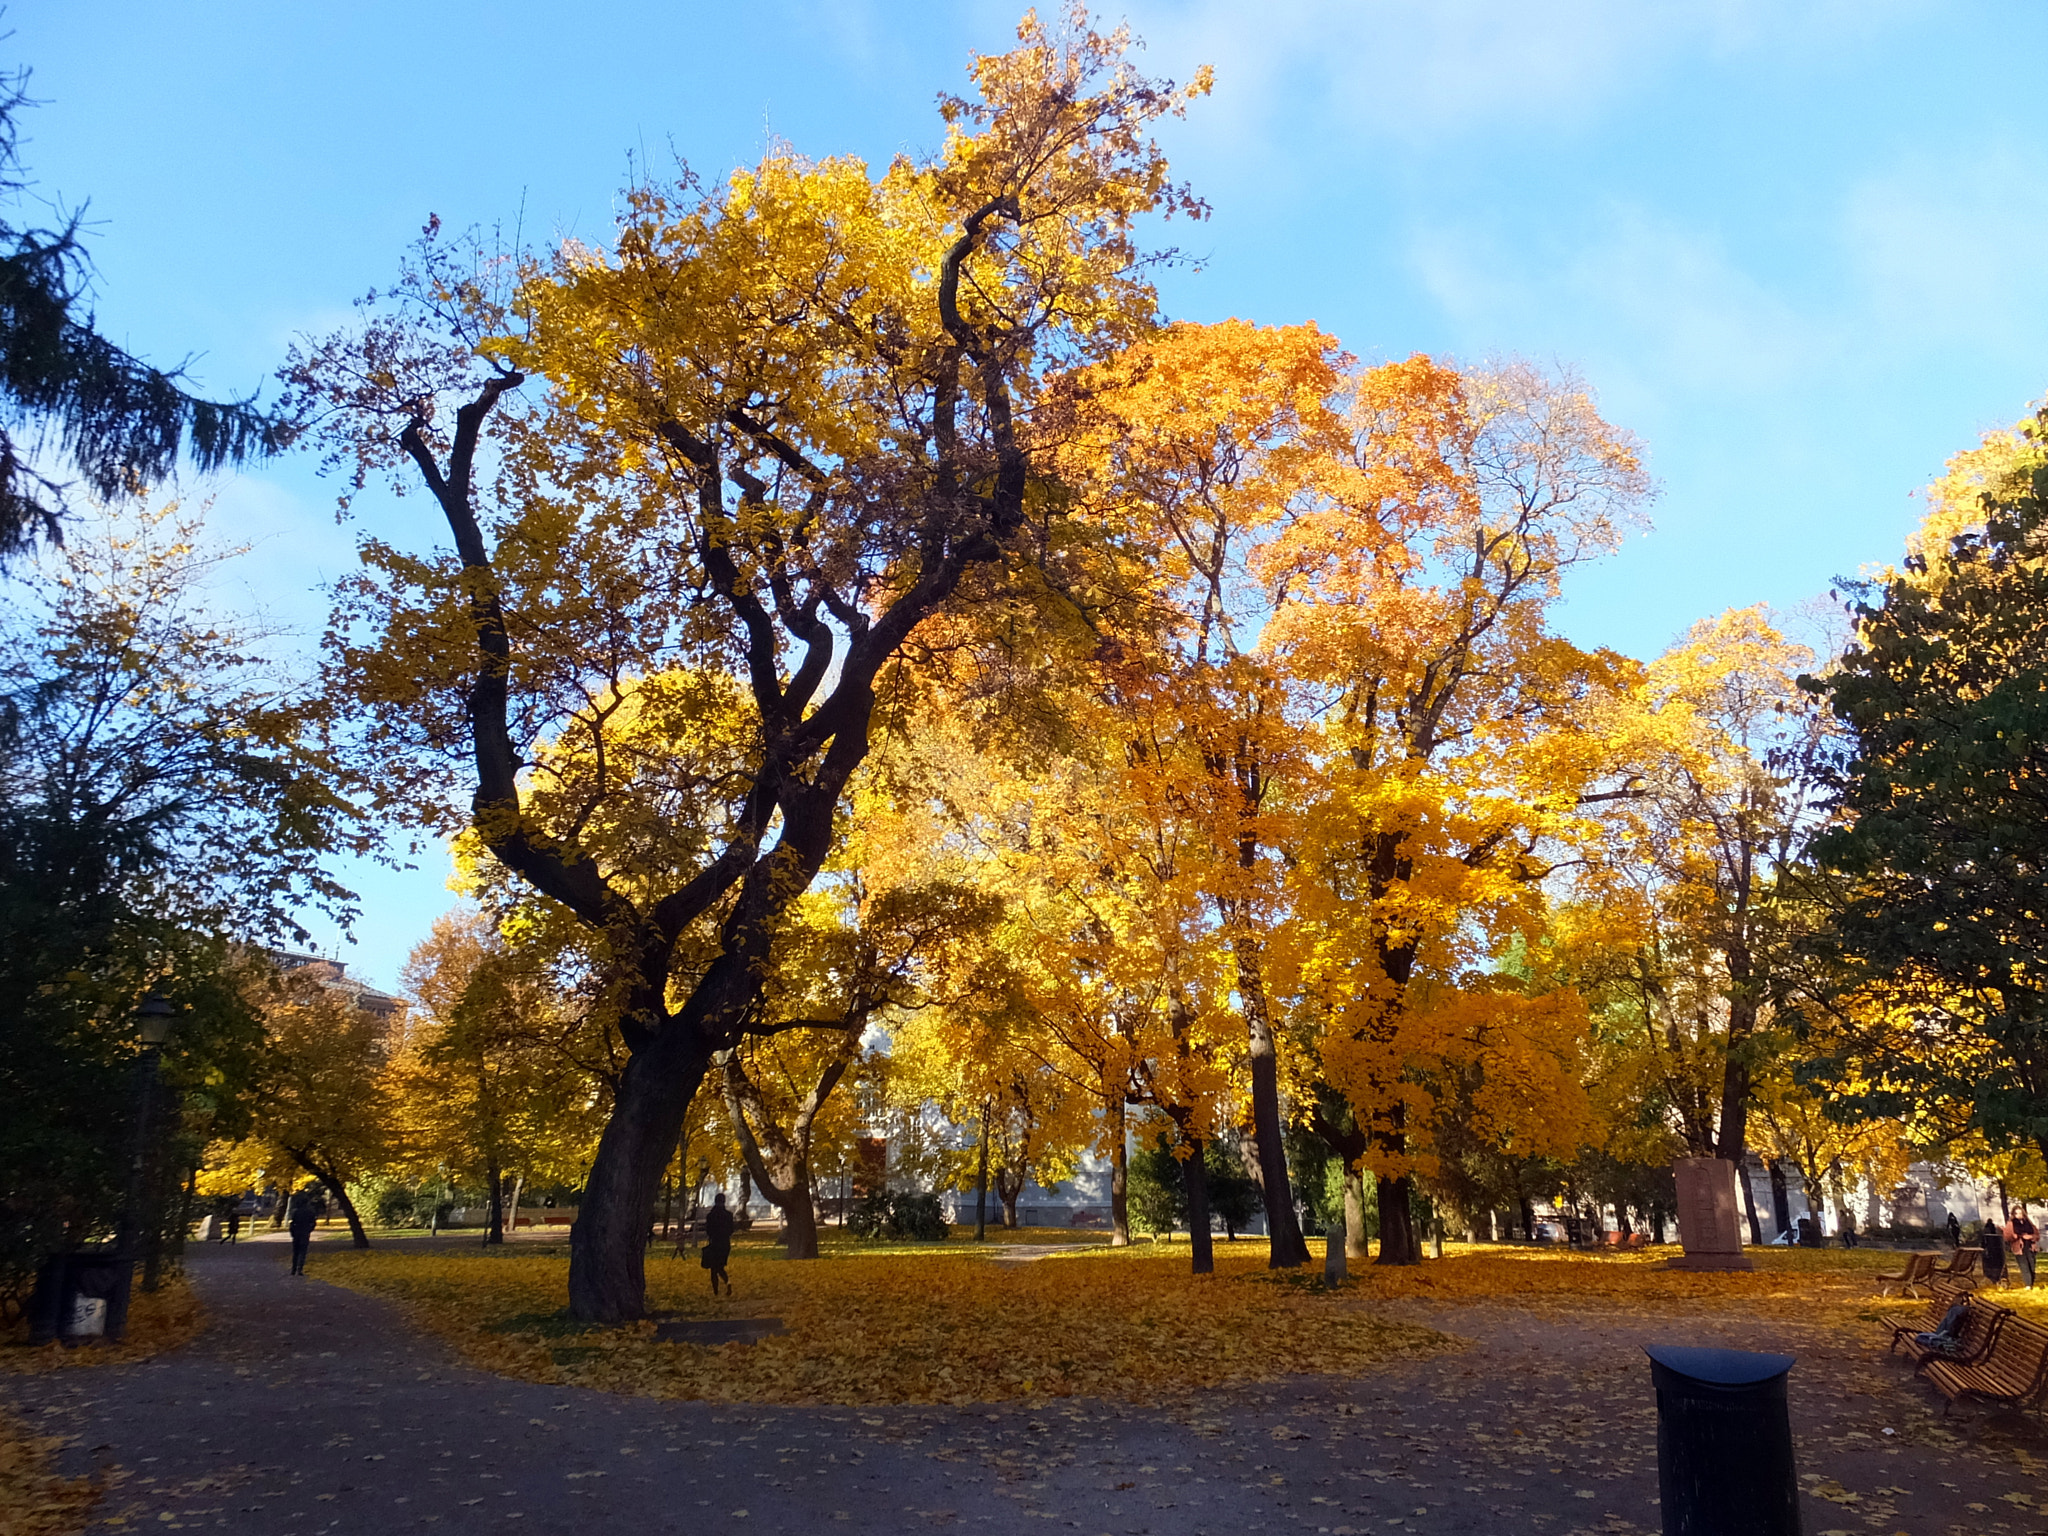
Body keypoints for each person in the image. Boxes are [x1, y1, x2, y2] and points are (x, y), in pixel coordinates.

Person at [701, 1191, 735, 1297]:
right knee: (720, 1266)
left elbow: (708, 1230)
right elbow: (731, 1229)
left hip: (715, 1243)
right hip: (725, 1243)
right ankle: (727, 1282)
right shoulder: (728, 1215)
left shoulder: (711, 1215)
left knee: (714, 1269)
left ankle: (716, 1291)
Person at [288, 1188, 319, 1276]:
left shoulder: (296, 1212)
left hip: (296, 1233)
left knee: (296, 1252)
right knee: (303, 1252)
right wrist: (310, 1229)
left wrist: (292, 1232)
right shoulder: (310, 1212)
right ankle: (299, 1269)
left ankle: (293, 1269)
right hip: (305, 1233)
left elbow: (292, 1223)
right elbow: (313, 1222)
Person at [2007, 1207, 2039, 1289]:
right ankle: (2028, 1284)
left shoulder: (2028, 1223)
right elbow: (2008, 1236)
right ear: (2013, 1214)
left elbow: (2037, 1235)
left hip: (2030, 1246)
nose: (2019, 1215)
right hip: (2019, 1247)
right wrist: (2017, 1236)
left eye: (2020, 1213)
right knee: (2024, 1265)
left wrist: (2031, 1237)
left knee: (2032, 1265)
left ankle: (2031, 1283)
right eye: (2016, 1213)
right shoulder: (2011, 1223)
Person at [1980, 1216, 2007, 1284]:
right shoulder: (1993, 1229)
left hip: (1991, 1248)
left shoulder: (1985, 1230)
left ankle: (1994, 1278)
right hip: (1995, 1249)